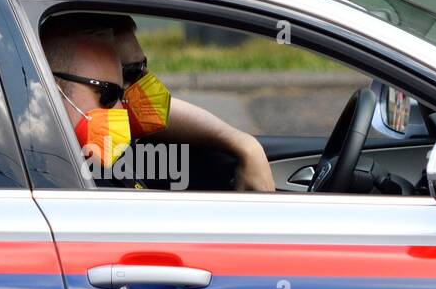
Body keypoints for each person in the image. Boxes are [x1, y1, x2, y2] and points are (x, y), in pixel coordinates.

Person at [41, 13, 275, 192]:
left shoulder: (112, 139)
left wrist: (245, 145)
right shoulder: (50, 173)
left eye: (139, 72)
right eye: (109, 92)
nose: (124, 106)